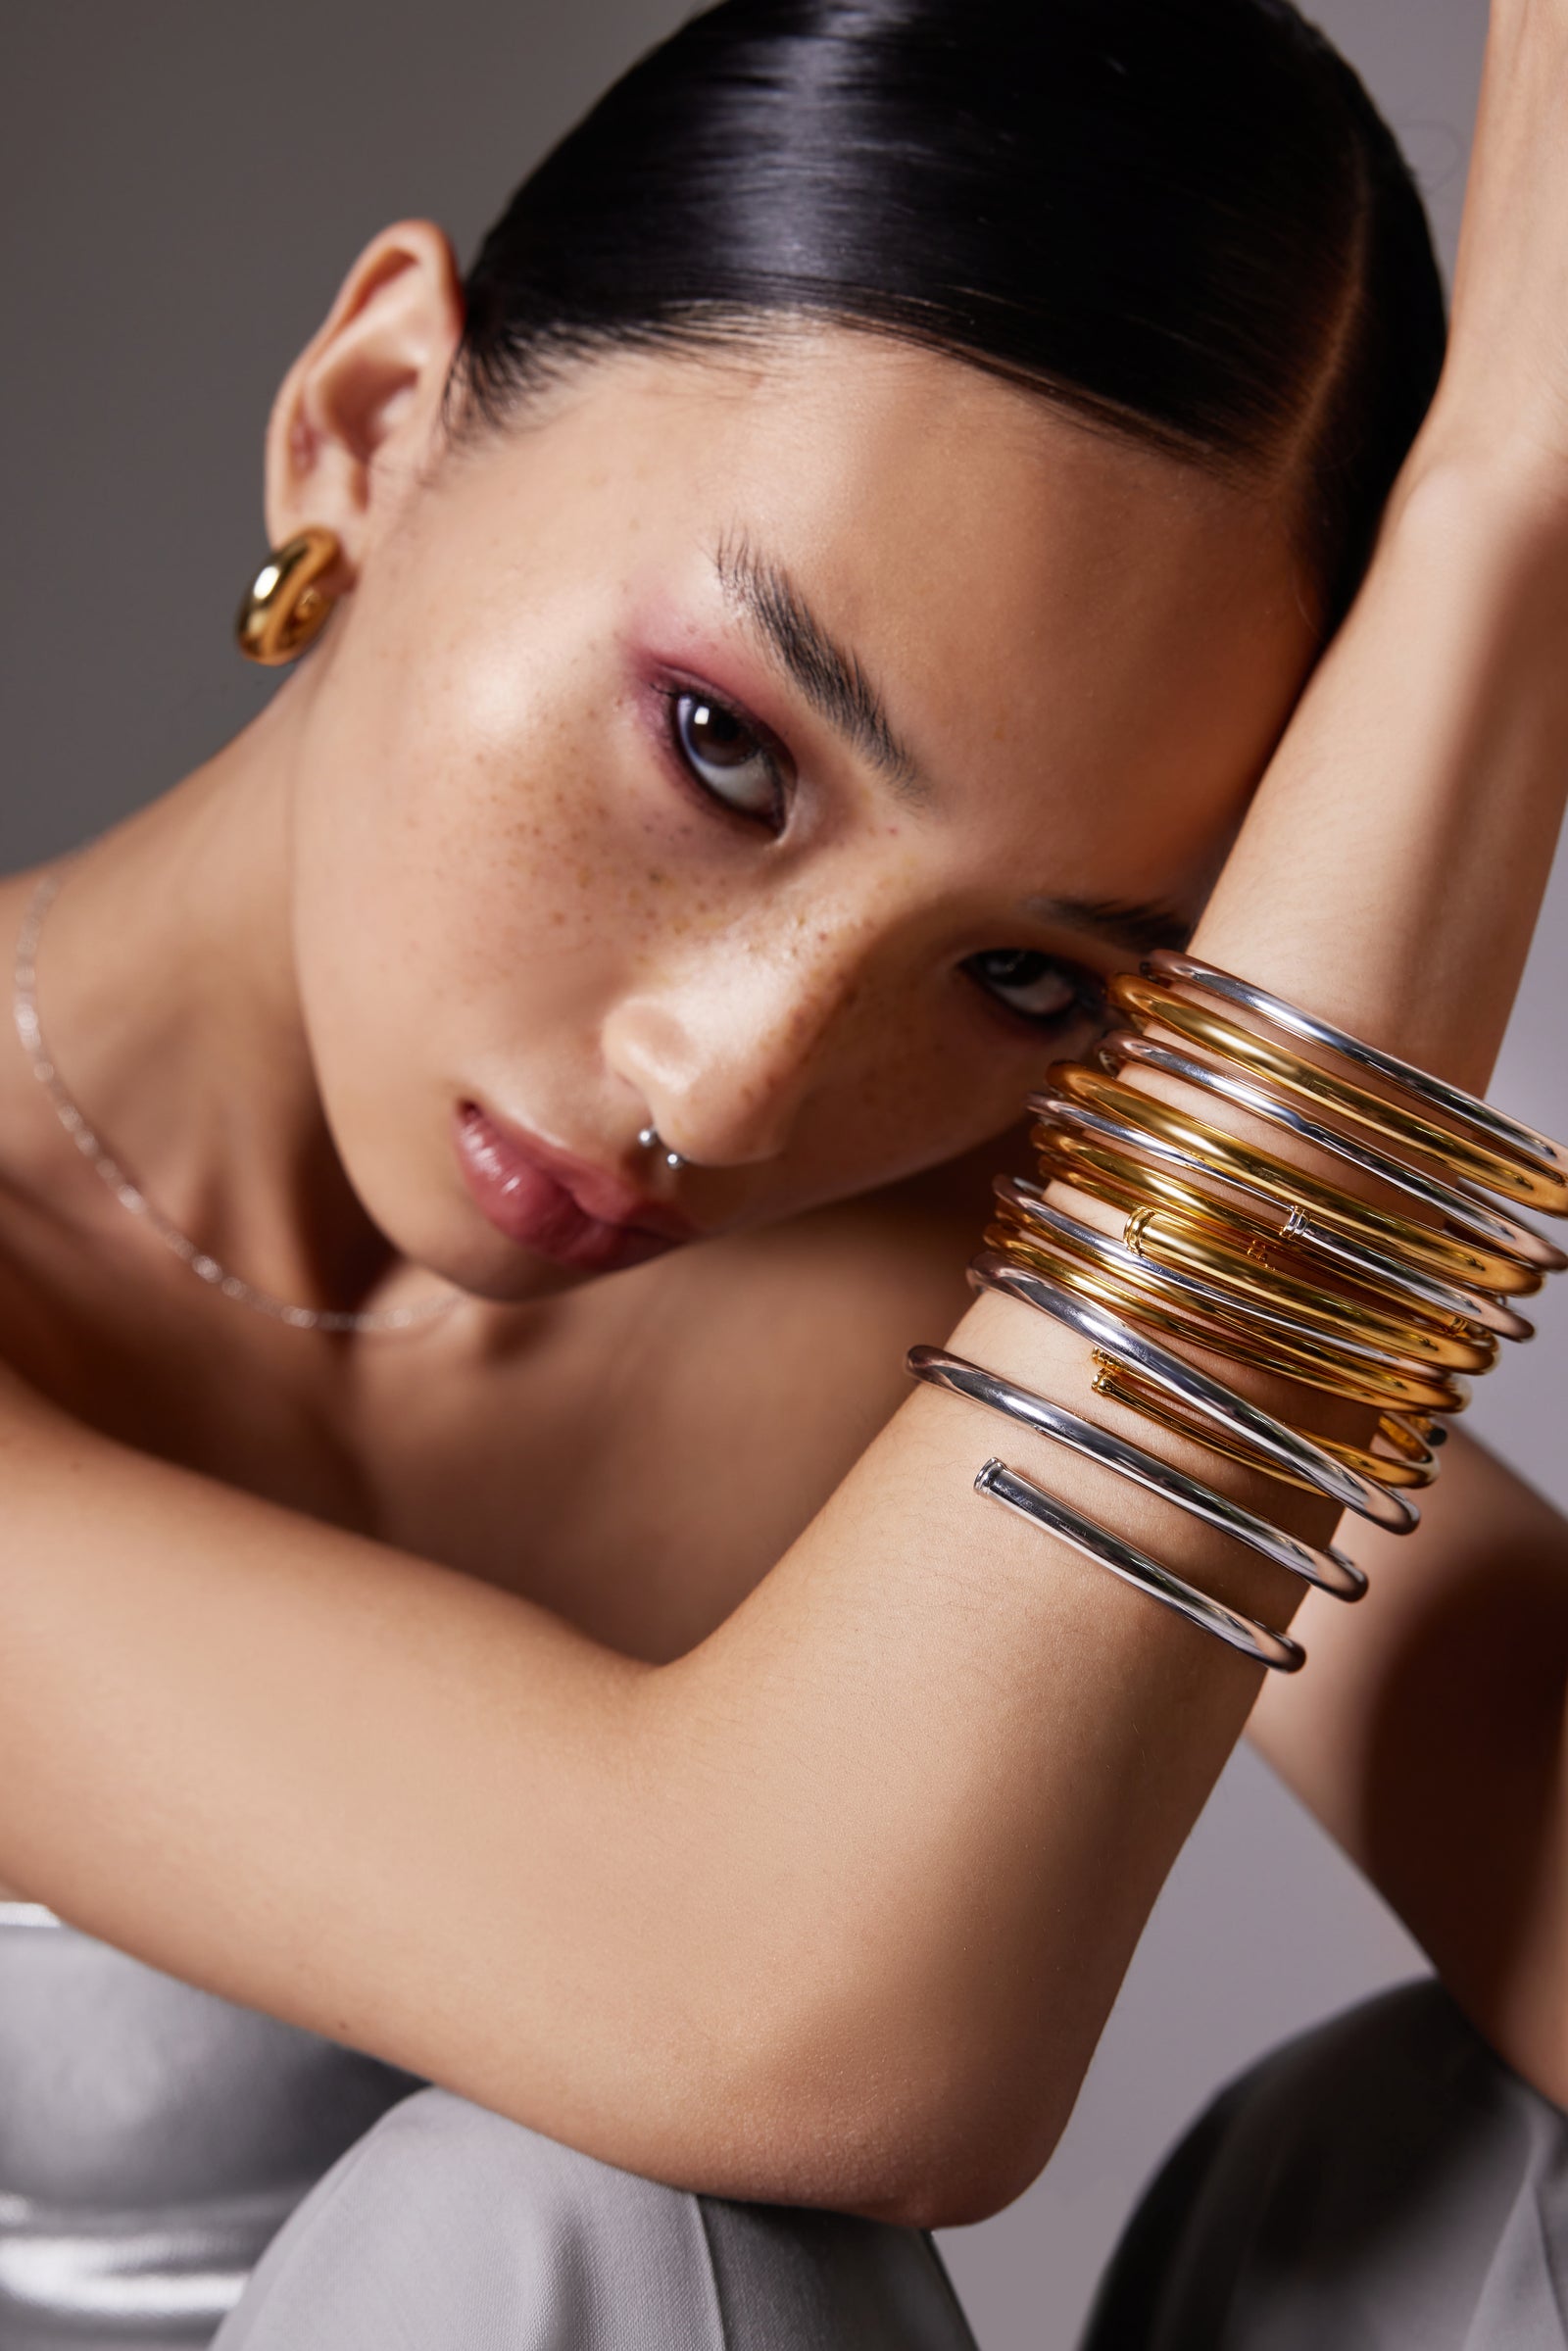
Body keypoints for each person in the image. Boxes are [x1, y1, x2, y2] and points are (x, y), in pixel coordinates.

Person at [3, 0, 1567, 2344]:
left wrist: (1509, 556)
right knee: (588, 2204)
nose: (737, 1094)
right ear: (372, 420)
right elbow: (799, 2022)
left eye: (1027, 977)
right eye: (723, 746)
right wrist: (1506, 507)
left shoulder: (924, 1265)